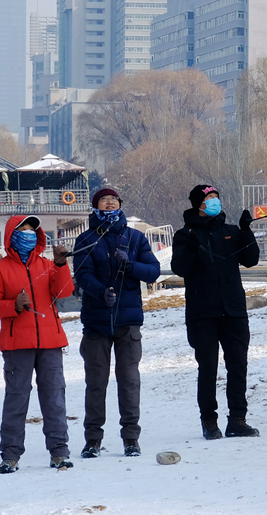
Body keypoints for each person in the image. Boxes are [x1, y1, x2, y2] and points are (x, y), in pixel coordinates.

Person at [74, 188, 161, 459]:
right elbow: (82, 274)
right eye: (104, 199)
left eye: (114, 199)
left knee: (129, 381)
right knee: (96, 382)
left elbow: (154, 271)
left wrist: (131, 265)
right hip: (96, 322)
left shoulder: (135, 238)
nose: (109, 202)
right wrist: (101, 292)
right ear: (96, 206)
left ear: (120, 204)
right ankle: (93, 439)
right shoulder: (86, 239)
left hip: (128, 322)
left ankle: (131, 438)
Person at [0, 215, 74, 474]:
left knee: (54, 398)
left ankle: (59, 452)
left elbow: (64, 292)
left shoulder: (47, 265)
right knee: (16, 399)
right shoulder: (0, 269)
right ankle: (10, 455)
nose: (28, 234)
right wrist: (13, 305)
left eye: (32, 230)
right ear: (11, 236)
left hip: (50, 342)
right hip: (17, 345)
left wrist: (61, 264)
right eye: (22, 230)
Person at [171, 185, 261, 440]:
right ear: (198, 204)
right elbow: (180, 268)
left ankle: (238, 419)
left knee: (238, 366)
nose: (214, 202)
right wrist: (190, 249)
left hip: (233, 311)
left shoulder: (230, 231)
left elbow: (251, 259)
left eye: (216, 197)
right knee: (208, 368)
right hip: (202, 313)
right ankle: (209, 421)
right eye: (209, 198)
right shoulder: (185, 235)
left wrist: (246, 231)